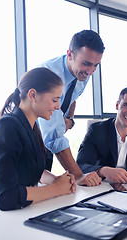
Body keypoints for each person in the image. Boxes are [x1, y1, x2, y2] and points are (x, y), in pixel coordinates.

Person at [0, 68, 76, 223]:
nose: (58, 107)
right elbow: (5, 197)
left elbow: (29, 169)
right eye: (55, 100)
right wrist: (55, 189)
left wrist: (56, 181)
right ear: (33, 95)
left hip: (18, 216)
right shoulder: (7, 126)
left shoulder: (32, 127)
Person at [38, 30, 105, 186]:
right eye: (86, 63)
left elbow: (73, 96)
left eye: (96, 65)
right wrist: (79, 176)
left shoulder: (82, 73)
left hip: (45, 145)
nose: (90, 71)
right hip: (28, 142)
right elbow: (54, 137)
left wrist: (69, 118)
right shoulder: (49, 76)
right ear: (69, 55)